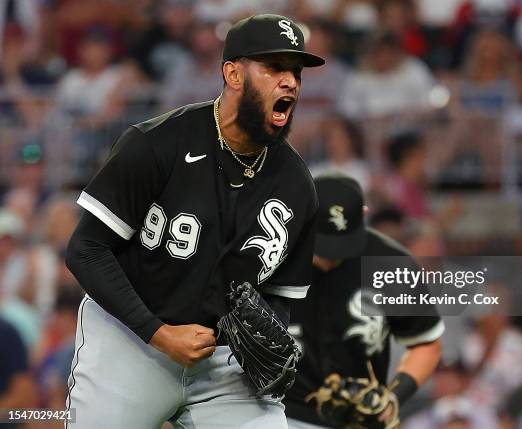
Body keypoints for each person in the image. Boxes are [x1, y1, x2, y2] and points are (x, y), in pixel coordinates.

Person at [64, 14, 324, 429]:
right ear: (233, 74)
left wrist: (266, 340)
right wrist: (158, 332)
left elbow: (280, 294)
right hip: (131, 340)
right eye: (274, 67)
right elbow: (86, 249)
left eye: (295, 71)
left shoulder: (297, 186)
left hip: (223, 363)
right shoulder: (157, 144)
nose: (290, 80)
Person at [285, 173, 444, 428]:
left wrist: (394, 395)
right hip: (280, 413)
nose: (330, 257)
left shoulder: (391, 264)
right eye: (323, 245)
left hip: (360, 418)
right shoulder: (267, 255)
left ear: (364, 214)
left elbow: (426, 344)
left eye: (341, 246)